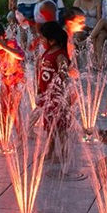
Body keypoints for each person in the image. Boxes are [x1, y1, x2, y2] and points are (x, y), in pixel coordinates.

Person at [36, 21, 71, 152]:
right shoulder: (46, 53)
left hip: (57, 98)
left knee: (60, 128)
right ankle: (50, 151)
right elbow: (40, 75)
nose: (40, 40)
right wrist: (38, 92)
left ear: (51, 40)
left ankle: (63, 152)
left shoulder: (60, 55)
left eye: (42, 37)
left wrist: (66, 97)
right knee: (48, 126)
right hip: (47, 98)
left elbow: (65, 78)